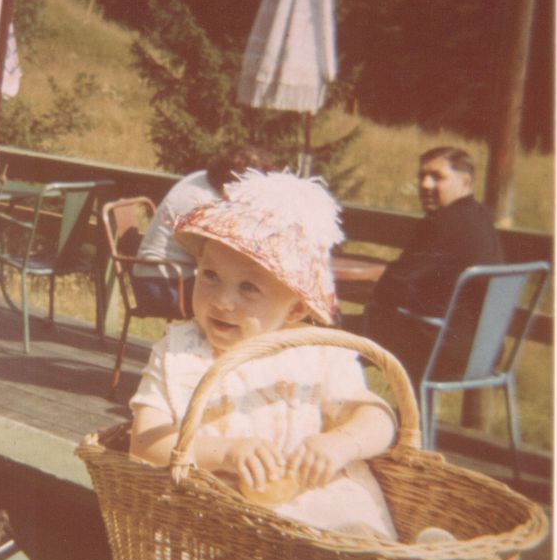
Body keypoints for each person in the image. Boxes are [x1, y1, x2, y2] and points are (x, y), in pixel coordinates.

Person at [129, 171, 399, 539]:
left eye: (248, 288)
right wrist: (225, 452)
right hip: (227, 521)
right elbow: (145, 442)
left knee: (351, 527)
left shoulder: (314, 352)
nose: (222, 301)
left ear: (294, 309)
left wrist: (341, 443)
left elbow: (379, 417)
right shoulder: (180, 352)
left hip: (318, 505)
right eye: (210, 276)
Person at [364, 146, 504, 385]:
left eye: (437, 177)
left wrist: (372, 292)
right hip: (486, 353)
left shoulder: (444, 223)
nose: (425, 185)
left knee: (332, 335)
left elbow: (393, 285)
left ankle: (337, 406)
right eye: (422, 176)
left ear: (465, 182)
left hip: (441, 351)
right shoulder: (479, 217)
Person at [131, 144, 272, 316]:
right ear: (237, 181)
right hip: (161, 286)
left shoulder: (200, 179)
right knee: (249, 302)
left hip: (162, 277)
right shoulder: (204, 203)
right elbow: (221, 256)